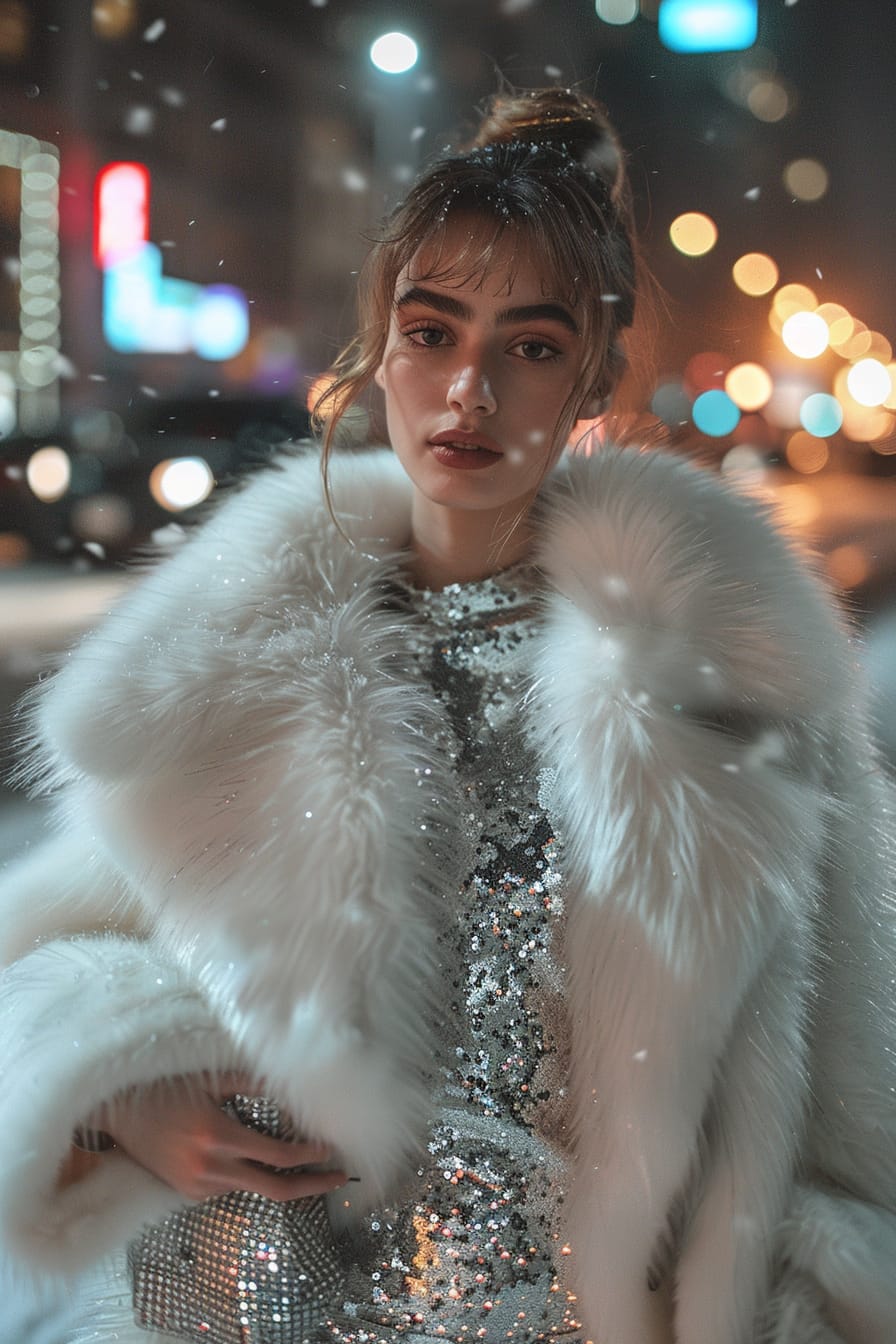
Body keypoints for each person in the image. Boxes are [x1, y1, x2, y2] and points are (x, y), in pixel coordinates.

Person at [0, 86, 893, 1344]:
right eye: (432, 332)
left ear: (591, 364)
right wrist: (124, 1091)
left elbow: (854, 1117)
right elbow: (45, 961)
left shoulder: (726, 682)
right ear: (379, 349)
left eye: (527, 345)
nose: (466, 389)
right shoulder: (240, 662)